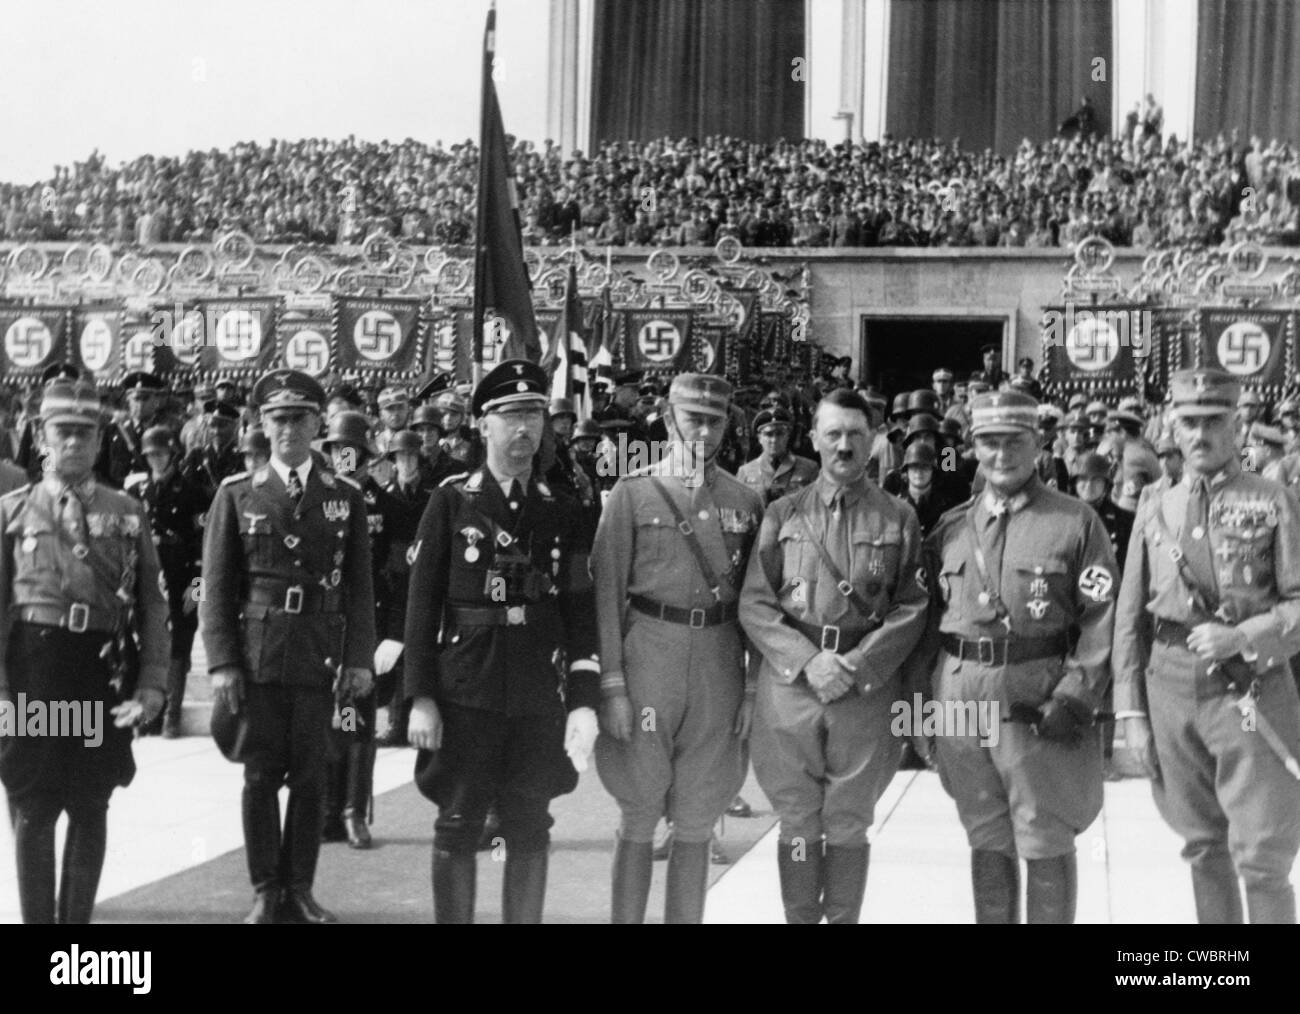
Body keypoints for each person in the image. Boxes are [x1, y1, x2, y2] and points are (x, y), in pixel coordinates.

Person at [907, 389, 1118, 923]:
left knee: (1044, 836)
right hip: (960, 697)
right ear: (975, 447)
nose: (1002, 454)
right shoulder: (950, 528)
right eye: (989, 443)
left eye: (1014, 442)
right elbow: (925, 623)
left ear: (1038, 443)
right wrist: (920, 710)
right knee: (985, 834)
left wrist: (1076, 694)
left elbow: (1103, 616)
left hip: (1036, 697)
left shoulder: (1076, 523)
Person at [404, 360, 600, 924]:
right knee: (460, 822)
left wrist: (583, 699)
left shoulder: (562, 507)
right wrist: (420, 694)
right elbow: (421, 606)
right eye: (511, 416)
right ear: (483, 426)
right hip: (468, 688)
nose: (525, 430)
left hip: (538, 690)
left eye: (534, 416)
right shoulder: (451, 502)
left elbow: (579, 607)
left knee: (530, 825)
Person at [1113, 368, 1300, 923]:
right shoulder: (1154, 505)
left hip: (1251, 690)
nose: (1199, 435)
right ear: (1173, 424)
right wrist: (1131, 711)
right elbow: (1130, 616)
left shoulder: (1275, 501)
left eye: (1213, 421)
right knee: (1200, 845)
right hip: (1170, 688)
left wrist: (1244, 637)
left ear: (1237, 422)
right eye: (1189, 422)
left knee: (1261, 854)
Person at [739, 387, 929, 923]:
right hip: (793, 685)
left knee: (848, 820)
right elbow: (755, 601)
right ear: (816, 441)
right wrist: (807, 660)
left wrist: (860, 666)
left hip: (863, 690)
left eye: (855, 435)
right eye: (833, 435)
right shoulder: (782, 513)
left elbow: (913, 605)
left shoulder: (899, 517)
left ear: (873, 441)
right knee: (798, 819)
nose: (844, 446)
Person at [200, 369, 376, 923]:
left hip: (318, 656)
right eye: (277, 420)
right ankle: (264, 890)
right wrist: (223, 662)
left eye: (299, 419)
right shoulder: (237, 494)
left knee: (310, 776)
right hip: (258, 657)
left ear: (318, 424)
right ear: (262, 425)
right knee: (258, 777)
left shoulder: (343, 496)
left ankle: (299, 888)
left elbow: (361, 587)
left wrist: (358, 659)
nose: (288, 430)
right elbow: (218, 588)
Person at [591, 373, 764, 923]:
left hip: (718, 658)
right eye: (694, 418)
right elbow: (606, 592)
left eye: (715, 421)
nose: (705, 431)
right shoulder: (632, 492)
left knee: (697, 815)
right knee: (639, 811)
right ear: (668, 420)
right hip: (649, 657)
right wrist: (613, 684)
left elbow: (758, 602)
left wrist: (752, 688)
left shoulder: (745, 499)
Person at [0, 376, 169, 923]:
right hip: (37, 667)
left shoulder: (128, 511)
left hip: (100, 670)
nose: (73, 443)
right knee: (36, 802)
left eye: (85, 432)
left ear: (100, 440)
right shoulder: (13, 512)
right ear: (41, 436)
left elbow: (153, 606)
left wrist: (151, 684)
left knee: (91, 800)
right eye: (62, 432)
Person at [124, 426, 208, 738]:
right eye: (150, 455)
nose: (155, 460)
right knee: (148, 640)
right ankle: (149, 716)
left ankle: (171, 715)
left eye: (160, 454)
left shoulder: (192, 492)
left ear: (172, 453)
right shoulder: (138, 493)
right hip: (149, 577)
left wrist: (197, 587)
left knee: (179, 646)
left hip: (181, 576)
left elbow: (203, 544)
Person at [95, 370, 169, 487]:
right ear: (128, 400)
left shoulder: (165, 431)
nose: (140, 404)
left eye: (145, 399)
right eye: (136, 399)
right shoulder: (114, 430)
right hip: (119, 497)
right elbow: (100, 469)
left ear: (156, 401)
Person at [736, 407, 819, 506]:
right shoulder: (745, 472)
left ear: (788, 435)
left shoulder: (809, 468)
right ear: (759, 438)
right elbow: (740, 514)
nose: (774, 440)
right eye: (768, 434)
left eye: (780, 433)